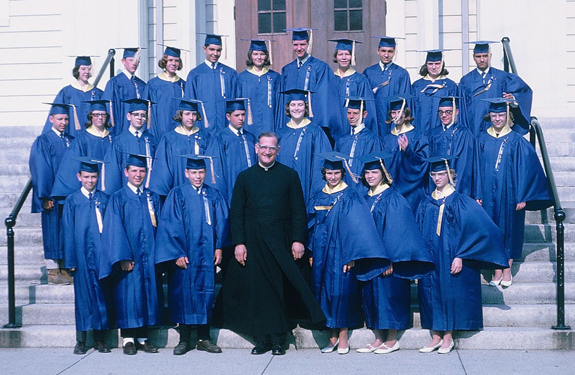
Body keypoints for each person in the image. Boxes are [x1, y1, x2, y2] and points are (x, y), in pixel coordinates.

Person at [214, 132, 326, 356]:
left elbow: (298, 212)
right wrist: (239, 243)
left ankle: (278, 338)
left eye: (271, 148)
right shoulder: (244, 177)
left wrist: (298, 240)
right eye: (263, 147)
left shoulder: (289, 175)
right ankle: (262, 338)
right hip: (253, 241)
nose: (267, 152)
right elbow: (236, 214)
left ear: (278, 150)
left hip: (281, 239)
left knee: (278, 287)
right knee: (259, 289)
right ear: (256, 148)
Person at [417, 156, 508, 354]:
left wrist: (461, 255)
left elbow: (481, 229)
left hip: (450, 255)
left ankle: (448, 337)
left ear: (450, 176)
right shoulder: (426, 202)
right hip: (431, 256)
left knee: (449, 292)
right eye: (434, 174)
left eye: (442, 174)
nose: (437, 178)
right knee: (429, 292)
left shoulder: (460, 201)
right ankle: (435, 337)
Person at [307, 152, 391, 355]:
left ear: (343, 173)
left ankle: (343, 336)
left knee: (341, 293)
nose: (333, 177)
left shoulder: (351, 196)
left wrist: (352, 255)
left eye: (336, 173)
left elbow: (358, 228)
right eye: (329, 173)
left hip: (342, 254)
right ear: (324, 173)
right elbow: (311, 225)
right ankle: (332, 335)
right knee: (324, 293)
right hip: (321, 254)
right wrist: (311, 250)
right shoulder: (319, 195)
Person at [355, 152, 433, 354]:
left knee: (389, 295)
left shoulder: (393, 198)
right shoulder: (364, 198)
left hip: (389, 258)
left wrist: (391, 260)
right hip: (369, 259)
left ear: (383, 174)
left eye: (374, 172)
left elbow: (399, 231)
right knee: (372, 296)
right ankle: (378, 337)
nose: (370, 176)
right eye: (367, 172)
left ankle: (392, 339)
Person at [155, 154, 229, 355]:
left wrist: (219, 246)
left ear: (206, 173)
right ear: (186, 173)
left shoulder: (213, 195)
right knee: (183, 295)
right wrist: (176, 252)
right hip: (185, 256)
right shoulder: (177, 194)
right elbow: (169, 225)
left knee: (205, 293)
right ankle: (184, 339)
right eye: (194, 172)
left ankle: (204, 338)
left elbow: (222, 221)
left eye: (201, 172)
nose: (198, 176)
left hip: (206, 255)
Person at [475, 98, 552, 287]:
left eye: (501, 115)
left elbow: (526, 169)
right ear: (489, 116)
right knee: (491, 229)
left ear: (508, 116)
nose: (497, 118)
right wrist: (477, 193)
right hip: (487, 192)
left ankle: (507, 269)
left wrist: (523, 195)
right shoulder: (482, 138)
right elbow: (476, 168)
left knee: (509, 229)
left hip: (509, 194)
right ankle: (496, 269)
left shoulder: (516, 140)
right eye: (494, 115)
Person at [99, 153, 161, 355]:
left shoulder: (151, 197)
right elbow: (114, 229)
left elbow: (161, 227)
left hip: (149, 256)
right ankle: (127, 339)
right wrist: (123, 256)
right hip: (129, 257)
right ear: (126, 172)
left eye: (142, 170)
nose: (138, 174)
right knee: (128, 295)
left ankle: (143, 338)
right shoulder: (118, 198)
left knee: (145, 294)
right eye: (134, 170)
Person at [62, 158, 111, 355]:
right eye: (86, 177)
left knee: (101, 296)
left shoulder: (105, 199)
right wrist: (71, 260)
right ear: (79, 177)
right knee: (82, 298)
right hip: (81, 257)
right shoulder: (72, 201)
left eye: (93, 176)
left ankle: (99, 339)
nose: (90, 180)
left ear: (98, 177)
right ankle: (81, 340)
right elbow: (67, 231)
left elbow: (110, 230)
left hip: (101, 257)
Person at [29, 102, 74, 285]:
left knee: (65, 231)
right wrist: (45, 196)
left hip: (68, 196)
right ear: (51, 119)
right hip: (53, 197)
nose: (63, 122)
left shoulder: (71, 140)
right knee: (52, 231)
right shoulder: (43, 141)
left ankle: (64, 267)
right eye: (59, 119)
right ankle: (53, 271)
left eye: (65, 119)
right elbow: (41, 169)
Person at [457, 41, 532, 137]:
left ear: (490, 56)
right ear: (473, 57)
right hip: (473, 128)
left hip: (496, 128)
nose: (482, 60)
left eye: (485, 56)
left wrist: (513, 98)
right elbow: (462, 110)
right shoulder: (466, 80)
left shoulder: (502, 77)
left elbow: (524, 92)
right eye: (478, 56)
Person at [279, 28, 342, 139]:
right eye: (295, 44)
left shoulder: (320, 67)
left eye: (302, 44)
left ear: (308, 44)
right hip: (291, 124)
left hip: (312, 123)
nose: (299, 48)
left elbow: (323, 100)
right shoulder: (287, 70)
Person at [276, 89, 332, 204]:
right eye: (293, 105)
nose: (296, 108)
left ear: (306, 107)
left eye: (300, 104)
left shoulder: (315, 132)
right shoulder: (280, 133)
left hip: (307, 190)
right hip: (282, 190)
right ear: (288, 107)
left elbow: (320, 164)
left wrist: (316, 192)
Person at [50, 99, 114, 198]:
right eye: (96, 114)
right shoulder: (81, 139)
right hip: (90, 187)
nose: (100, 117)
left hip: (111, 187)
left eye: (103, 114)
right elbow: (71, 166)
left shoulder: (113, 138)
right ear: (91, 116)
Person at [149, 98, 210, 198]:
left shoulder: (205, 137)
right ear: (180, 115)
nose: (191, 118)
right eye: (187, 114)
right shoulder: (169, 139)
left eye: (194, 114)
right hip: (177, 190)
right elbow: (163, 169)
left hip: (202, 192)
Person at [381, 95, 429, 213]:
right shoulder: (386, 139)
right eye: (393, 112)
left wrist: (408, 151)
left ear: (406, 113)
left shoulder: (418, 136)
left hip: (412, 191)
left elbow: (423, 163)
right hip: (392, 190)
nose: (396, 115)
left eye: (400, 112)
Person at [205, 99, 257, 204]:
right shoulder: (220, 138)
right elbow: (216, 170)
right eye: (237, 115)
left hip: (252, 189)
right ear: (228, 117)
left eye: (243, 115)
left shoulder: (250, 137)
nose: (241, 118)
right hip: (230, 190)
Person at [185, 34, 238, 135]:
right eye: (212, 49)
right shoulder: (195, 74)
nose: (215, 53)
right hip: (202, 127)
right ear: (204, 49)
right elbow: (190, 101)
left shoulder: (230, 73)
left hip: (225, 126)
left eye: (218, 50)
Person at [103, 98, 157, 194]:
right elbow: (113, 172)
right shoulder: (119, 141)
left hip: (148, 193)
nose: (139, 118)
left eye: (143, 115)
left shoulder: (153, 141)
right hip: (125, 193)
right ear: (129, 116)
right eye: (136, 114)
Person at [41, 56, 103, 137]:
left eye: (89, 69)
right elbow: (57, 114)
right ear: (77, 70)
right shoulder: (66, 92)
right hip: (72, 136)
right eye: (83, 69)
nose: (87, 72)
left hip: (93, 137)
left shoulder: (98, 93)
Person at [427, 96, 476, 197]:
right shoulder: (433, 133)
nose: (444, 115)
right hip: (436, 186)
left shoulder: (464, 133)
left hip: (457, 186)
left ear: (456, 112)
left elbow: (464, 165)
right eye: (441, 112)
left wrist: (455, 187)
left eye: (448, 112)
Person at [363, 36, 411, 136]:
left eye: (390, 51)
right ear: (378, 51)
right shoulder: (369, 72)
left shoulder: (401, 73)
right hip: (374, 120)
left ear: (394, 52)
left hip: (394, 122)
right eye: (383, 51)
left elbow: (405, 101)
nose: (386, 55)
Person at [329, 39, 378, 137]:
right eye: (340, 54)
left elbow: (368, 107)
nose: (344, 58)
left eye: (347, 54)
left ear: (352, 56)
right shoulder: (330, 79)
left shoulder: (360, 79)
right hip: (333, 127)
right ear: (336, 56)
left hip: (354, 128)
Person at [237, 39, 282, 136]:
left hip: (270, 124)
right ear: (250, 55)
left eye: (262, 54)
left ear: (266, 56)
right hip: (248, 126)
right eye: (255, 54)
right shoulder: (241, 78)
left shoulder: (275, 77)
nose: (259, 57)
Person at [334, 97, 381, 190]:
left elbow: (375, 169)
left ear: (364, 114)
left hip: (364, 189)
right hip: (343, 189)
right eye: (349, 113)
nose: (351, 116)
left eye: (355, 113)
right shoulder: (341, 140)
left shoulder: (372, 139)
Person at [143, 46, 186, 140]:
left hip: (179, 130)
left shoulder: (182, 84)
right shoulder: (153, 84)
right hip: (159, 129)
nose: (173, 63)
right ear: (165, 61)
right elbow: (145, 110)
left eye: (176, 60)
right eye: (170, 60)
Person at [411, 50, 458, 134]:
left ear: (442, 64)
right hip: (420, 132)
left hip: (443, 134)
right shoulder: (417, 86)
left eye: (437, 63)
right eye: (430, 64)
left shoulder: (450, 86)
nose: (433, 67)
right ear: (426, 65)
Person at [102, 47, 147, 135]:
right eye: (131, 60)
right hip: (120, 129)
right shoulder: (114, 83)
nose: (134, 63)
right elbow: (109, 109)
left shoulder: (142, 84)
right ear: (123, 61)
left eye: (137, 60)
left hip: (139, 130)